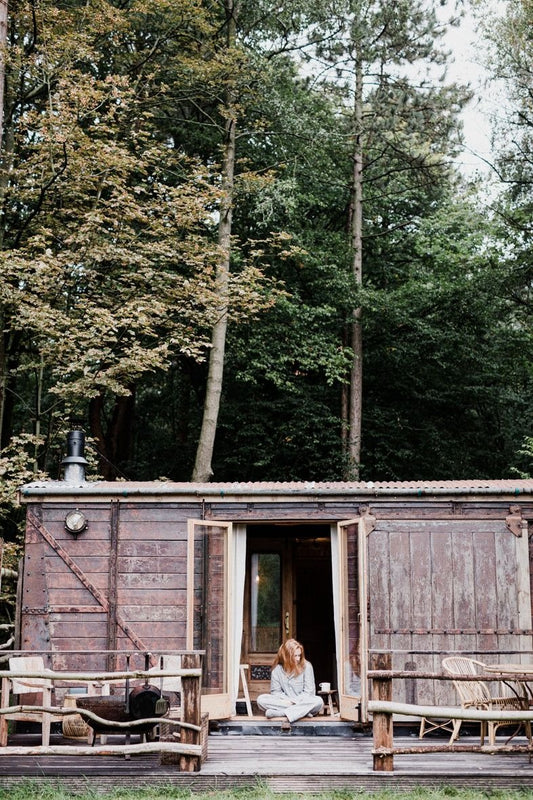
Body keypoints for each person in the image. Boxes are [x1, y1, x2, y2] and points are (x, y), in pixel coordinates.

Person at [257, 638, 324, 723]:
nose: (298, 659)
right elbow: (276, 693)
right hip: (286, 703)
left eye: (299, 655)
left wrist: (294, 701)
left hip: (302, 701)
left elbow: (309, 692)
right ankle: (302, 712)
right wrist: (288, 702)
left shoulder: (307, 666)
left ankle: (282, 713)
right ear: (286, 657)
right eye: (295, 656)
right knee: (261, 700)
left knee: (318, 701)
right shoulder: (277, 670)